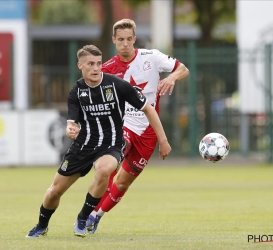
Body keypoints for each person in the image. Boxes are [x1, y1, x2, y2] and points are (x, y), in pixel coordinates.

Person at [25, 44, 171, 238]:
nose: (96, 68)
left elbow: (148, 109)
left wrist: (163, 140)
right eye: (90, 64)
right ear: (80, 65)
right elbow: (71, 123)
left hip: (111, 145)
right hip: (83, 146)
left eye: (99, 63)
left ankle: (83, 217)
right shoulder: (76, 92)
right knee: (54, 191)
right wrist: (70, 129)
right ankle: (41, 225)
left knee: (104, 169)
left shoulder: (117, 85)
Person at [85, 19, 189, 234]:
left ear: (134, 39)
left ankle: (96, 216)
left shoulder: (152, 57)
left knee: (123, 183)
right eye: (120, 40)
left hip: (149, 132)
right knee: (111, 166)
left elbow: (183, 69)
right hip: (124, 126)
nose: (125, 44)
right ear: (114, 41)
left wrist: (172, 78)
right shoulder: (108, 70)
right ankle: (86, 212)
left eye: (128, 39)